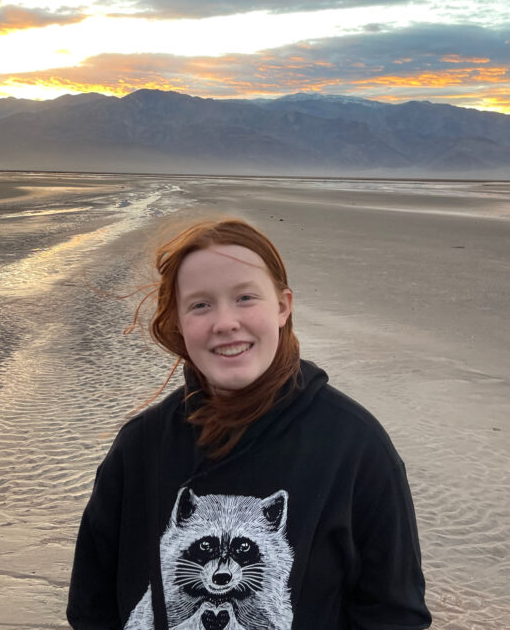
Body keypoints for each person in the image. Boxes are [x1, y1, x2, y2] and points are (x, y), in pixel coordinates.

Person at [67, 218, 431, 630]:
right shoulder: (141, 447)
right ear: (178, 322)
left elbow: (395, 615)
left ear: (282, 306)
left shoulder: (355, 448)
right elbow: (91, 606)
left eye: (245, 298)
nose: (225, 322)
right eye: (200, 304)